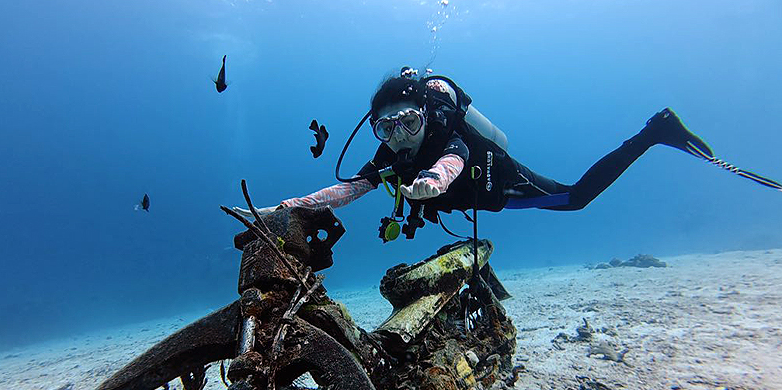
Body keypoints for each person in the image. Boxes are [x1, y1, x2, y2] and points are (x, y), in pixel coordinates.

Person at [234, 68, 716, 239]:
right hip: (464, 195)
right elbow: (345, 190)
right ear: (376, 130)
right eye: (387, 128)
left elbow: (456, 158)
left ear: (426, 115)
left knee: (575, 198)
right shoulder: (389, 158)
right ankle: (655, 133)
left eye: (408, 123)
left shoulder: (447, 135)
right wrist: (279, 210)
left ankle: (654, 132)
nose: (400, 136)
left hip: (492, 183)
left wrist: (437, 182)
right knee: (575, 200)